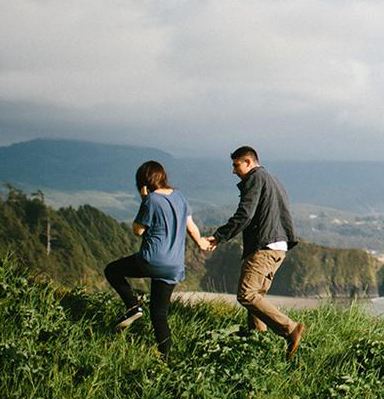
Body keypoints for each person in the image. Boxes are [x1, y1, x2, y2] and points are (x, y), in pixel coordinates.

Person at [205, 145, 305, 360]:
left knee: (246, 295)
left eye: (236, 165)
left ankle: (290, 329)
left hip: (264, 245)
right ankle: (258, 347)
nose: (233, 171)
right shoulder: (273, 179)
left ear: (248, 161)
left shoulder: (255, 178)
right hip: (279, 246)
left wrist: (220, 236)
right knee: (256, 298)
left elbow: (245, 214)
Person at [104, 160, 207, 358]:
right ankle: (166, 358)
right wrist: (201, 243)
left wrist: (144, 200)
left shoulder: (151, 200)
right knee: (159, 314)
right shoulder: (180, 196)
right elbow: (191, 227)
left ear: (143, 182)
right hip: (174, 267)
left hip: (151, 260)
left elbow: (138, 230)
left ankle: (133, 306)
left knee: (112, 270)